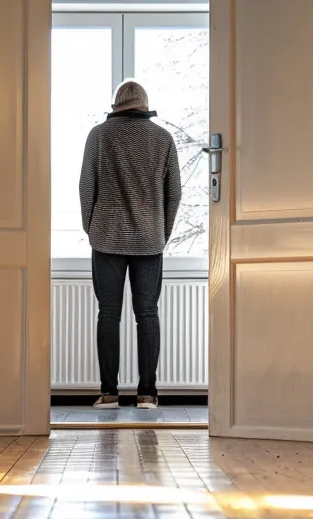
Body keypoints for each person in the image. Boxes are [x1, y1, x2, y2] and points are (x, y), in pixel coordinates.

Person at [79, 80, 181, 410]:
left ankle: (109, 393)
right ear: (143, 103)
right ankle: (147, 394)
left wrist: (92, 229)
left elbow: (85, 188)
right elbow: (174, 193)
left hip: (106, 236)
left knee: (108, 314)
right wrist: (160, 232)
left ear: (117, 104)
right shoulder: (162, 138)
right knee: (147, 314)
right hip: (150, 238)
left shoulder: (99, 136)